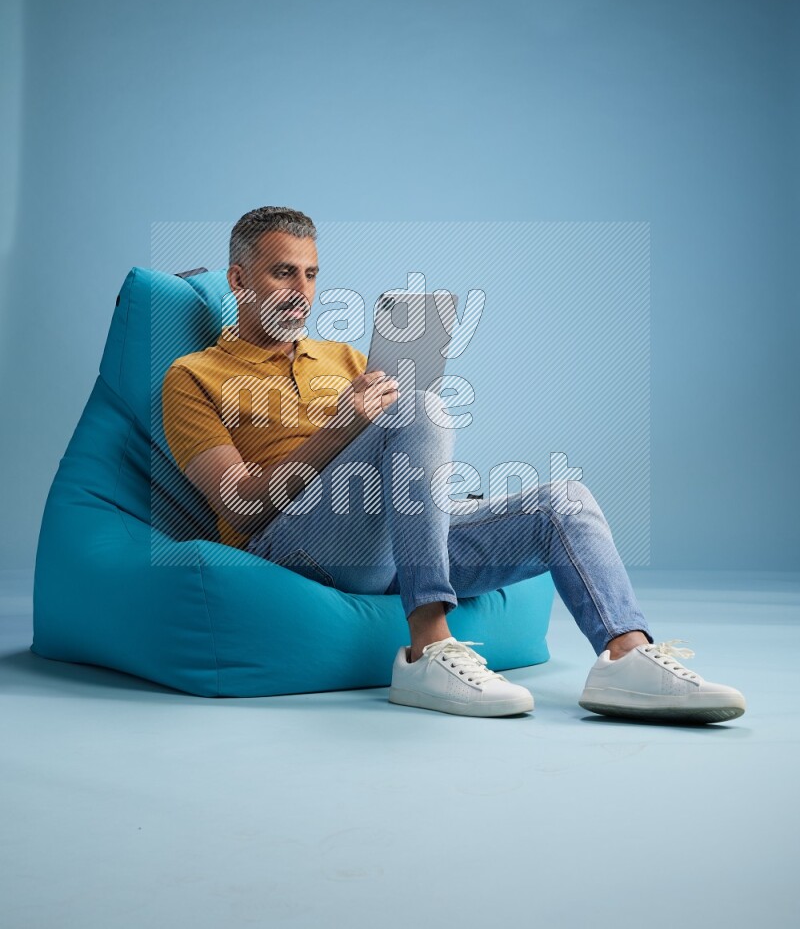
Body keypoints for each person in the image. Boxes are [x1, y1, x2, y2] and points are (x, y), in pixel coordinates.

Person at [162, 206, 746, 723]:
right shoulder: (193, 376)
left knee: (562, 501)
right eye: (282, 272)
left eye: (312, 274)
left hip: (385, 542)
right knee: (416, 407)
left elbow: (407, 458)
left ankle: (626, 656)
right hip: (291, 547)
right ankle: (427, 649)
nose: (303, 290)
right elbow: (239, 505)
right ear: (239, 280)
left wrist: (437, 497)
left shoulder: (346, 358)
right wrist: (346, 423)